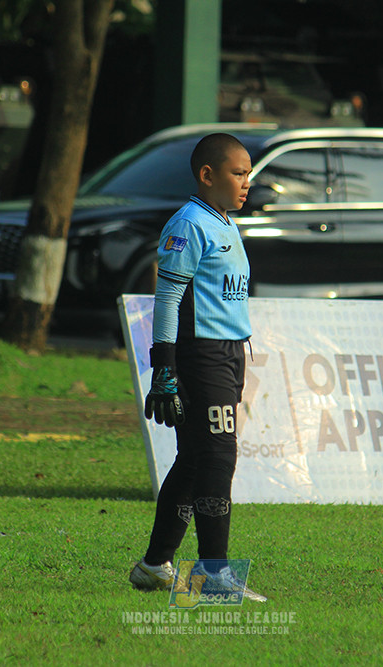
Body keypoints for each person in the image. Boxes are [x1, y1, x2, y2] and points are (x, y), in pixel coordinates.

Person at [128, 133, 266, 602]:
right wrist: (163, 368)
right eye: (238, 173)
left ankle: (154, 565)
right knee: (217, 458)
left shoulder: (224, 221)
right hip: (199, 355)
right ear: (207, 175)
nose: (248, 182)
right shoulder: (188, 224)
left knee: (193, 461)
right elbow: (166, 298)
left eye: (248, 173)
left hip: (228, 353)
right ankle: (214, 577)